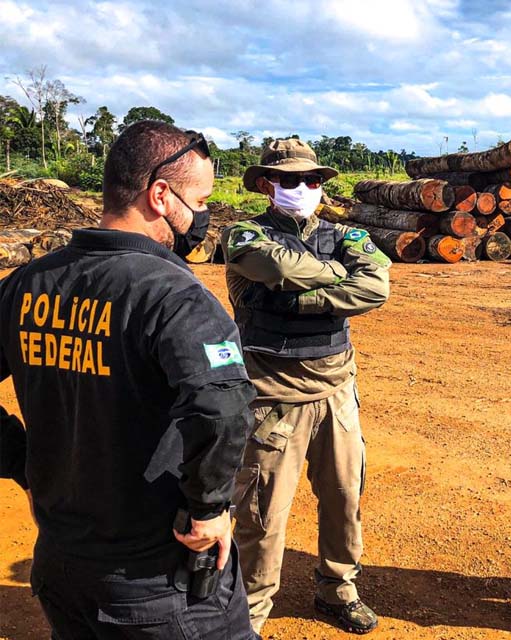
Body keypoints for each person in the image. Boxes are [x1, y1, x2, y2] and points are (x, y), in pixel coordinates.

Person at [0, 120, 258, 638]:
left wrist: (22, 462)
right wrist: (208, 508)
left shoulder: (28, 282)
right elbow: (224, 405)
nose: (203, 216)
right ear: (161, 195)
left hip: (61, 564)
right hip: (159, 582)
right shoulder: (175, 296)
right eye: (201, 200)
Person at [223, 138, 390, 635]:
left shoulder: (345, 234)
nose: (303, 188)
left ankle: (337, 588)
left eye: (312, 180)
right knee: (262, 510)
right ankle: (250, 609)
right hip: (272, 396)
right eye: (290, 180)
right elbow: (273, 266)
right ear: (265, 184)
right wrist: (337, 281)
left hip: (336, 390)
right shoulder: (243, 236)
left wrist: (300, 299)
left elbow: (377, 286)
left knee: (344, 497)